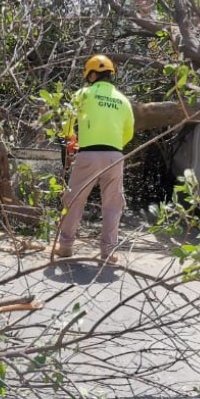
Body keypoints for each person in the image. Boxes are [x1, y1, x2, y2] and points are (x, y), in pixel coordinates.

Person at [54, 54, 134, 263]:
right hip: (115, 156)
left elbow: (67, 123)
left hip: (88, 154)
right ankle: (108, 252)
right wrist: (113, 148)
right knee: (113, 204)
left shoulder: (83, 94)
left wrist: (71, 138)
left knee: (74, 200)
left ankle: (66, 247)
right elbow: (129, 133)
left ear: (91, 74)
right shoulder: (123, 100)